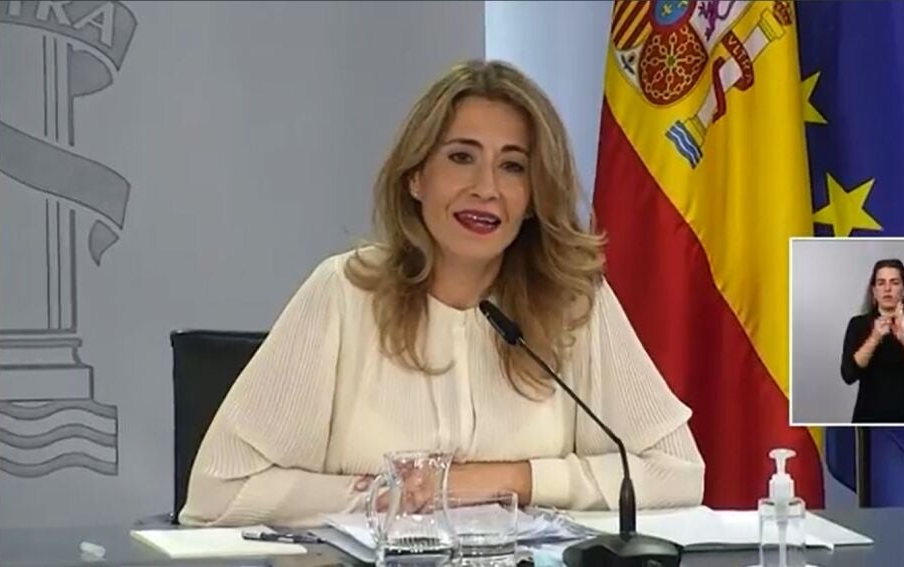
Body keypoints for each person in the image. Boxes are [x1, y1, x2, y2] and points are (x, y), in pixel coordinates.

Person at [179, 59, 705, 527]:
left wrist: (503, 480)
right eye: (460, 157)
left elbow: (677, 473)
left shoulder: (572, 300)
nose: (486, 188)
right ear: (416, 177)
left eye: (513, 166)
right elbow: (217, 492)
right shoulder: (344, 292)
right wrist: (390, 496)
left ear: (532, 197)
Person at [840, 258, 904, 423]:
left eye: (894, 283)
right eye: (881, 283)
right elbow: (848, 375)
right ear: (874, 291)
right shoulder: (858, 324)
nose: (887, 289)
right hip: (869, 420)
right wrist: (875, 337)